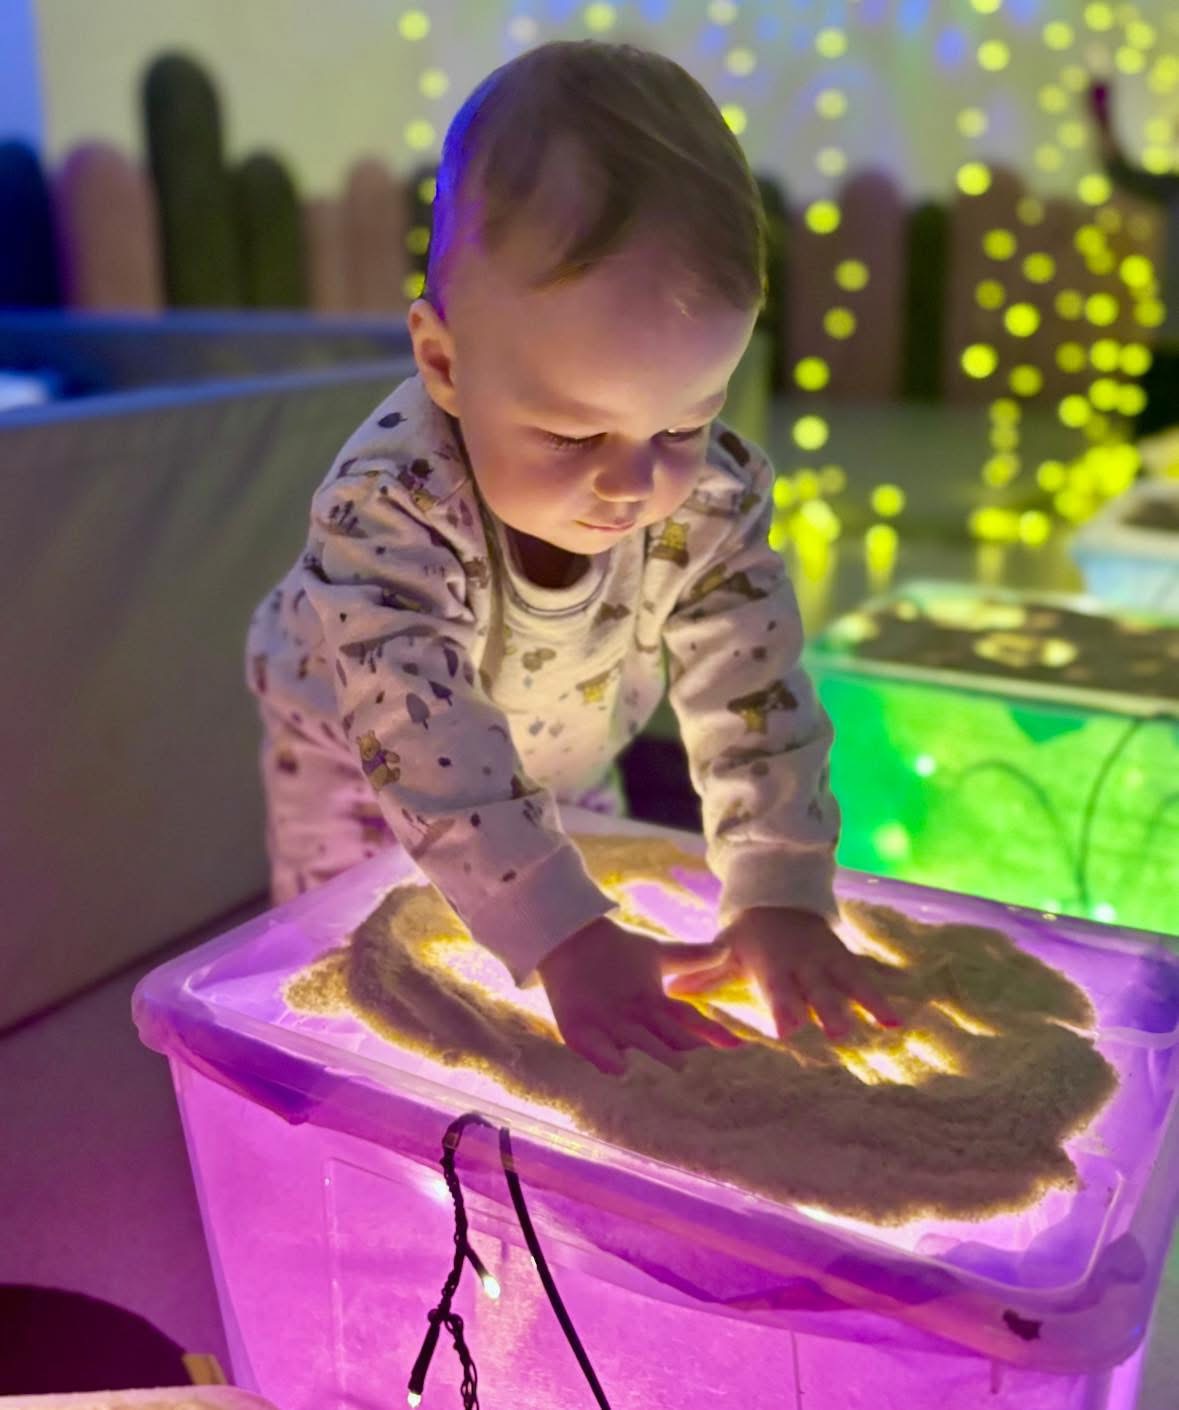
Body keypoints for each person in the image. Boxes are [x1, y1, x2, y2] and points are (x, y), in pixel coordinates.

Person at [246, 40, 900, 1075]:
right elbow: (422, 734)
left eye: (683, 423)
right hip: (356, 764)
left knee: (591, 946)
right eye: (571, 434)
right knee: (358, 974)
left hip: (571, 744)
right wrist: (560, 935)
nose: (634, 483)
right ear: (444, 362)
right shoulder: (388, 507)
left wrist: (779, 889)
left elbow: (754, 688)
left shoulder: (710, 495)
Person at [1088, 79, 1179, 434]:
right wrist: (1101, 116)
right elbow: (1119, 170)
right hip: (1171, 347)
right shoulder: (1172, 189)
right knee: (1150, 442)